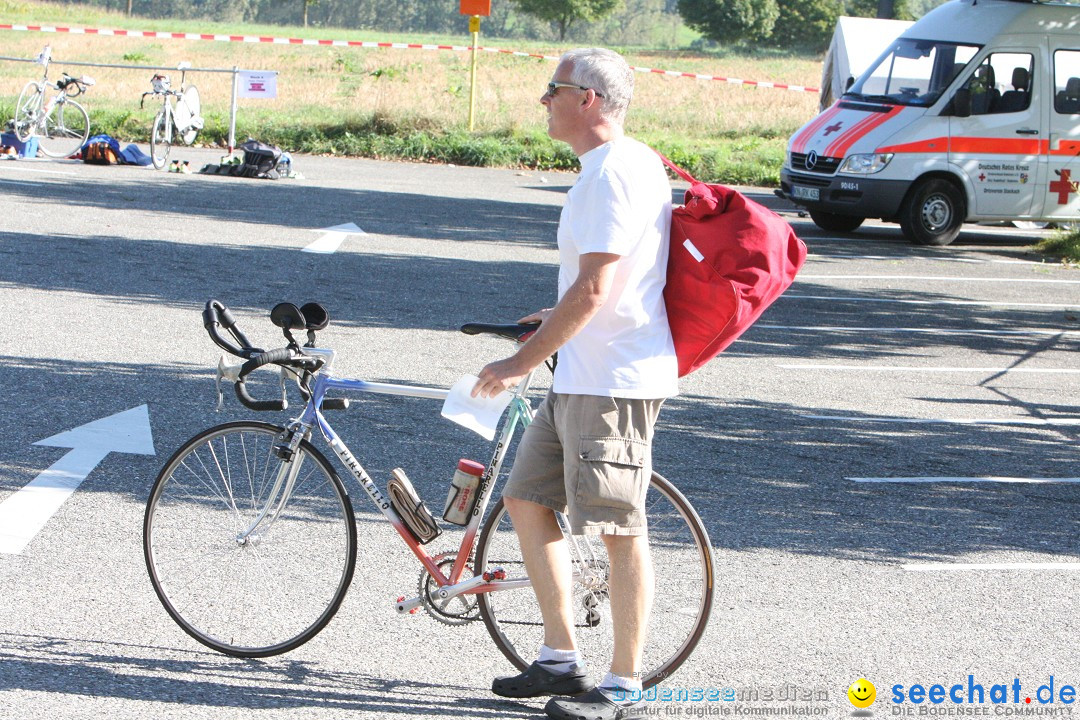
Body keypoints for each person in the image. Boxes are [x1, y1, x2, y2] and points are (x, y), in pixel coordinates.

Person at [471, 47, 678, 720]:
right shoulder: (624, 164)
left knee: (618, 530)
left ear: (587, 99)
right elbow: (603, 284)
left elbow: (593, 292)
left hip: (612, 382)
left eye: (552, 89)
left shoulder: (612, 175)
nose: (543, 100)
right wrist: (548, 319)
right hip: (584, 375)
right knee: (527, 499)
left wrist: (518, 361)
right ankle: (560, 657)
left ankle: (623, 682)